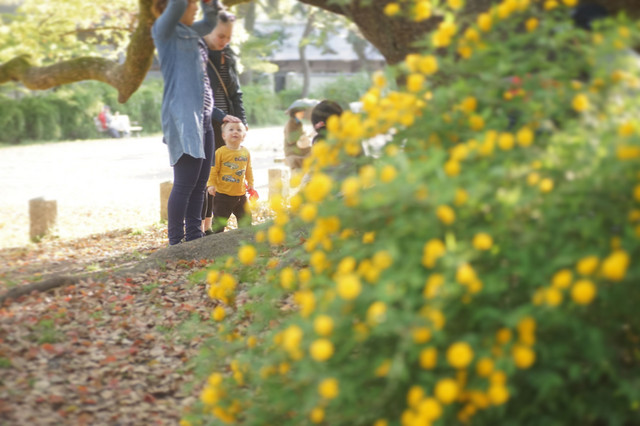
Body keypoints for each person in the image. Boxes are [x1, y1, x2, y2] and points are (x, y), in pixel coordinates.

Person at [152, 0, 240, 245]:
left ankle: (194, 237)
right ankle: (176, 242)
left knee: (200, 183)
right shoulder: (165, 31)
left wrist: (219, 115)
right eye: (192, 5)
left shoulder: (192, 34)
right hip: (183, 121)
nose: (195, 9)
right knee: (184, 183)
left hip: (204, 120)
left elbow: (211, 20)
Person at [201, 10, 248, 235]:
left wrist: (242, 122)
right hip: (208, 122)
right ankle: (206, 227)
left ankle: (221, 225)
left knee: (228, 171)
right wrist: (220, 116)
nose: (225, 41)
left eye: (229, 37)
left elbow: (236, 93)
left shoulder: (228, 56)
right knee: (210, 175)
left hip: (229, 125)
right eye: (221, 36)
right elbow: (200, 96)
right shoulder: (200, 54)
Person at [207, 121, 254, 233]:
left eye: (239, 130)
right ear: (224, 135)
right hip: (223, 196)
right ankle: (216, 240)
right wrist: (211, 184)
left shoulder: (245, 152)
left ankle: (246, 238)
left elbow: (248, 169)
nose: (235, 132)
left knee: (246, 221)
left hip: (241, 195)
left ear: (244, 135)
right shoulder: (220, 152)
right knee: (219, 223)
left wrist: (251, 183)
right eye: (231, 129)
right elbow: (213, 170)